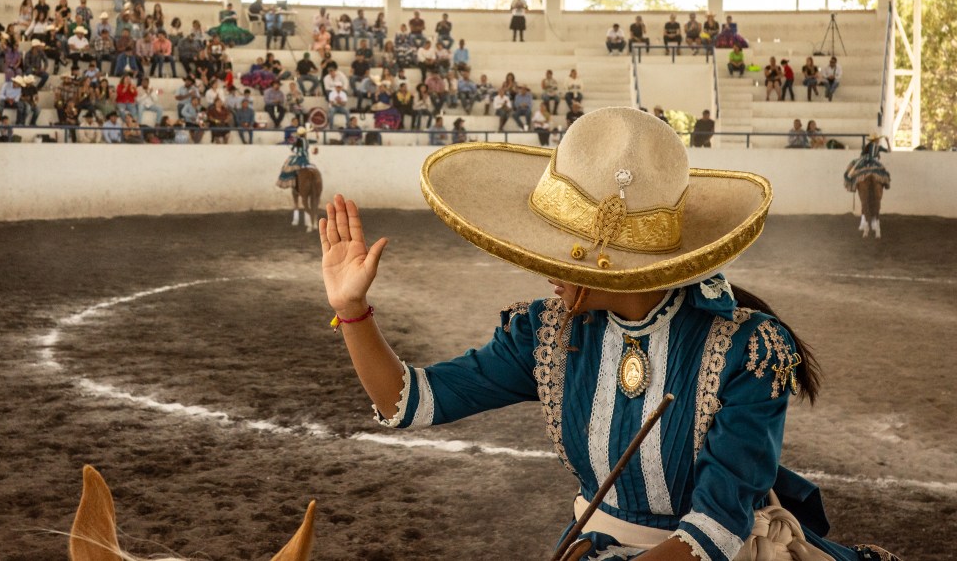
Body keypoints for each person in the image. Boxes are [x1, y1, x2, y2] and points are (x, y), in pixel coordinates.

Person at [318, 106, 902, 561]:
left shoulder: (750, 349)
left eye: (557, 251)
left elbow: (716, 529)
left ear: (613, 263)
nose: (542, 266)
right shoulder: (546, 333)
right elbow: (410, 400)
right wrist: (352, 310)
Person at [845, 137, 891, 239]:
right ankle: (886, 184)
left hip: (864, 161)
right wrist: (887, 142)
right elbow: (889, 151)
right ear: (876, 140)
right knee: (884, 173)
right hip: (875, 162)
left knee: (850, 172)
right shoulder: (878, 147)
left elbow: (862, 155)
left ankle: (852, 183)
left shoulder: (866, 146)